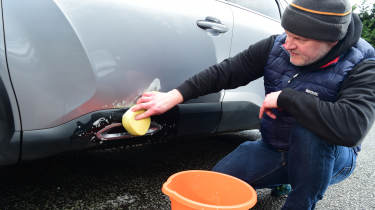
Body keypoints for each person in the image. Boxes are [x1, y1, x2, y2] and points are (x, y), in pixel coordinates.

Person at [132, 0, 375, 209]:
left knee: (309, 126)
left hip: (332, 158)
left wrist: (285, 98)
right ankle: (283, 176)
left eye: (298, 39)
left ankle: (299, 202)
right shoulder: (277, 45)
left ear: (332, 40)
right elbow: (226, 72)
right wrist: (174, 96)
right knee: (216, 184)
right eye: (287, 34)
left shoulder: (363, 63)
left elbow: (351, 128)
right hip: (275, 147)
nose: (287, 44)